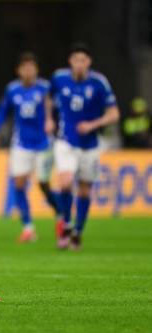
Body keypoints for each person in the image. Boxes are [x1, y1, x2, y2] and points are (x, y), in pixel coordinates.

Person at [50, 43, 120, 250]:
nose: (79, 64)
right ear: (70, 61)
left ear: (89, 62)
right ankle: (67, 225)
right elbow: (47, 98)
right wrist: (48, 119)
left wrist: (93, 124)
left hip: (90, 144)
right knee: (64, 182)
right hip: (65, 140)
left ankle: (78, 231)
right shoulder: (59, 78)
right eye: (76, 60)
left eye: (83, 60)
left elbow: (114, 113)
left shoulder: (99, 83)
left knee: (84, 191)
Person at [0, 52, 62, 242]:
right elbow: (2, 112)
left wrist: (52, 121)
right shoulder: (12, 90)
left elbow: (57, 111)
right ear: (19, 71)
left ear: (36, 70)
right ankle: (28, 228)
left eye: (31, 68)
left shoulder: (46, 89)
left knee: (43, 184)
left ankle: (61, 214)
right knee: (19, 184)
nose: (28, 71)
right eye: (25, 68)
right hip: (21, 144)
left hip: (44, 144)